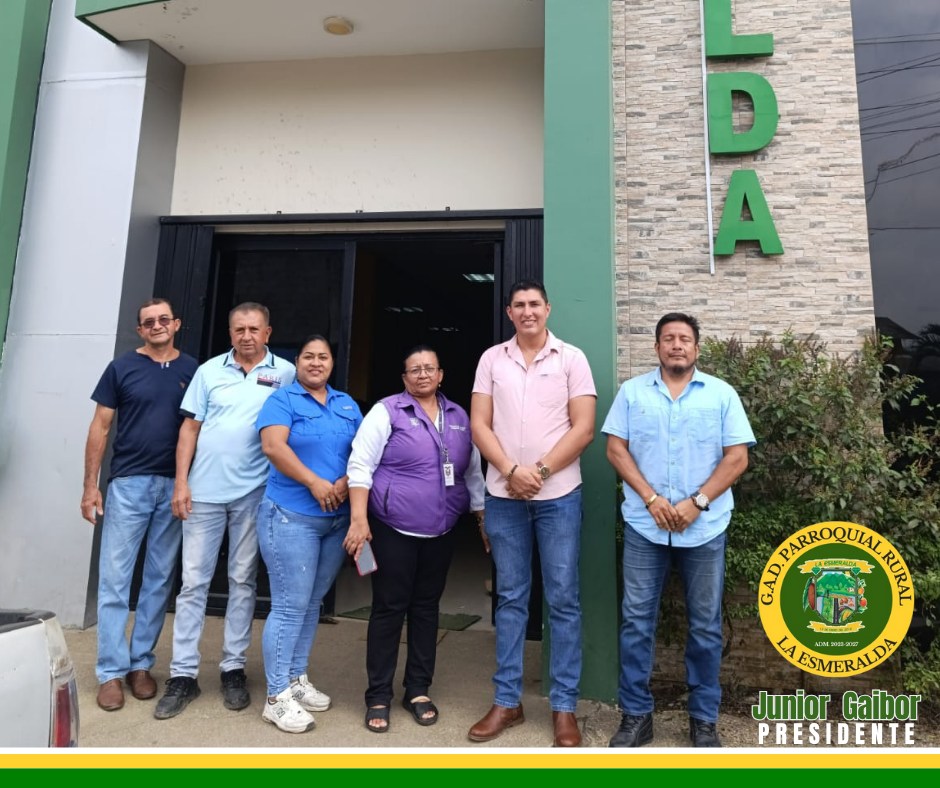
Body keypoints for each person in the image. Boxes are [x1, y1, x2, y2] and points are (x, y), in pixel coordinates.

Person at [601, 312, 755, 748]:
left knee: (705, 627)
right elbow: (615, 449)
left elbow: (737, 457)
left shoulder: (721, 394)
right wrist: (651, 499)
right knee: (636, 623)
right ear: (656, 348)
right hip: (644, 527)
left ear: (696, 348)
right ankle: (636, 717)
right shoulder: (632, 393)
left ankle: (703, 720)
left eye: (684, 339)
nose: (676, 345)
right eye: (668, 338)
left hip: (704, 529)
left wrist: (697, 502)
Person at [467, 280, 596, 748]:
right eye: (519, 305)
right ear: (509, 312)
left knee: (562, 600)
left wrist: (537, 472)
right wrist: (509, 470)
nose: (527, 311)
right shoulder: (491, 360)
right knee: (510, 599)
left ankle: (564, 707)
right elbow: (479, 424)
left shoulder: (572, 359)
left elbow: (583, 428)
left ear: (548, 308)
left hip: (558, 495)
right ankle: (507, 702)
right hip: (504, 497)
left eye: (534, 304)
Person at [154, 302, 295, 720]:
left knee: (242, 580)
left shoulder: (286, 373)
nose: (246, 336)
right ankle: (183, 674)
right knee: (193, 584)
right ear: (230, 333)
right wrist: (181, 483)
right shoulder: (209, 371)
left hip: (254, 494)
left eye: (254, 329)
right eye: (239, 329)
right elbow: (190, 428)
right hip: (203, 493)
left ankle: (233, 668)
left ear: (267, 332)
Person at [344, 345, 485, 733]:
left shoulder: (459, 417)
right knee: (389, 608)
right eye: (414, 370)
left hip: (442, 530)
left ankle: (418, 689)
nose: (422, 375)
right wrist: (359, 519)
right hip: (394, 528)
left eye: (429, 368)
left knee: (426, 608)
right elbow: (360, 465)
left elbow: (472, 472)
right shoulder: (386, 411)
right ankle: (378, 694)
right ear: (404, 378)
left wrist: (481, 517)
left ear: (441, 375)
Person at [81, 299, 198, 712]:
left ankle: (140, 664)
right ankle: (110, 672)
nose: (157, 325)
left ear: (176, 324)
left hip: (174, 486)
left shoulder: (193, 370)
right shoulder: (121, 368)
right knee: (115, 579)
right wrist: (90, 486)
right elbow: (100, 426)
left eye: (164, 319)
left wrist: (187, 483)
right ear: (140, 330)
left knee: (158, 580)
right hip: (128, 485)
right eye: (149, 322)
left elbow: (200, 428)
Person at [254, 335, 363, 734]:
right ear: (296, 362)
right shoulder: (282, 400)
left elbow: (363, 452)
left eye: (323, 357)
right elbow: (273, 447)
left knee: (312, 602)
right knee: (289, 605)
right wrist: (315, 482)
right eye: (308, 357)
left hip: (335, 520)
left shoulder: (346, 404)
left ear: (332, 363)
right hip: (291, 516)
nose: (316, 363)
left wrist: (345, 481)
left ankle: (296, 678)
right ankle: (276, 696)